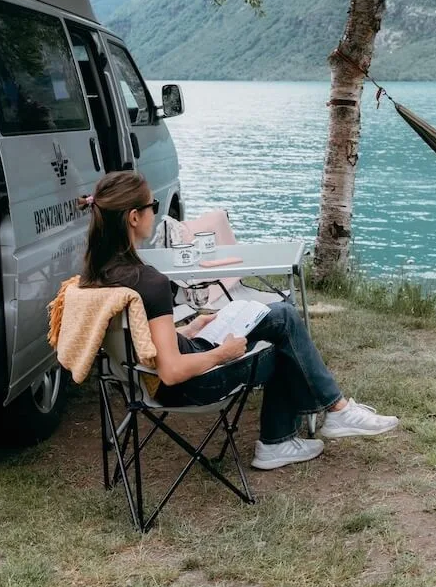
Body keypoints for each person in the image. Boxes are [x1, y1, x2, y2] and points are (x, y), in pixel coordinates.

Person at [79, 171, 399, 469]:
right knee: (283, 338)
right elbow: (173, 371)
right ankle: (313, 423)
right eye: (153, 206)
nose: (155, 212)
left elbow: (141, 338)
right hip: (188, 386)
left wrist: (187, 329)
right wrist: (223, 354)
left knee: (280, 318)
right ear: (134, 217)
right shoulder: (149, 282)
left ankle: (323, 416)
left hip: (141, 379)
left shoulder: (95, 277)